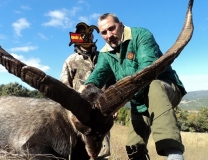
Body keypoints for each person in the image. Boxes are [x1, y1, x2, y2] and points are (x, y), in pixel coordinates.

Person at [79, 13, 186, 160]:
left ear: (121, 25)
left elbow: (147, 72)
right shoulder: (105, 54)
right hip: (138, 101)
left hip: (165, 89)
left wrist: (117, 101)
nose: (109, 35)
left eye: (112, 28)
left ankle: (174, 154)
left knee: (154, 86)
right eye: (104, 32)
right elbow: (98, 74)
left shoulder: (141, 35)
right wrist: (87, 88)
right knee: (134, 149)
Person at [60, 22, 116, 160]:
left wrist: (115, 107)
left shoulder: (104, 58)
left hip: (102, 113)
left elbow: (112, 84)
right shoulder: (71, 61)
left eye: (88, 36)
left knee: (102, 152)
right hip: (79, 116)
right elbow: (64, 86)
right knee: (77, 150)